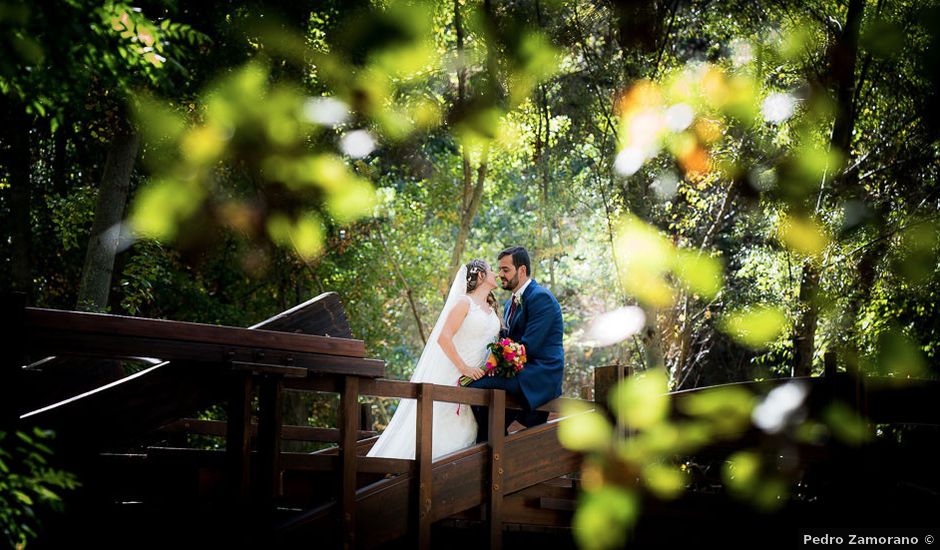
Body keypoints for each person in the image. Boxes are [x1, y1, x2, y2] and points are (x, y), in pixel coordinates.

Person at [366, 259, 502, 460]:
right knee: (441, 422)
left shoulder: (492, 310)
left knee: (466, 427)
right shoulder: (464, 303)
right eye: (491, 271)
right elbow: (444, 337)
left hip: (480, 380)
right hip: (457, 373)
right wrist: (464, 368)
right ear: (480, 276)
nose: (496, 274)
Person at [468, 246, 565, 443]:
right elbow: (508, 341)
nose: (500, 275)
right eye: (500, 270)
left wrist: (495, 366)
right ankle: (495, 453)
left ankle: (496, 451)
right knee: (488, 421)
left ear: (521, 270)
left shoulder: (541, 298)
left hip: (539, 373)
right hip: (519, 369)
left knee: (474, 388)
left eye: (505, 270)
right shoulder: (509, 304)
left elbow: (529, 346)